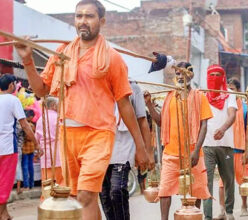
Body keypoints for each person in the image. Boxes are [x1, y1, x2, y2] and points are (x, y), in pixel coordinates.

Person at [14, 1, 150, 219]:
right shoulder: (61, 55)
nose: (83, 21)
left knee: (86, 195)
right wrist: (28, 60)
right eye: (79, 16)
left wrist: (142, 147)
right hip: (67, 134)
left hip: (99, 133)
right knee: (79, 198)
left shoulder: (112, 59)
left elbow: (125, 104)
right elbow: (41, 90)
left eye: (89, 16)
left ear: (101, 21)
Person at [145, 62, 212, 220]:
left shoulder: (199, 96)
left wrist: (196, 152)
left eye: (183, 74)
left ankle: (194, 217)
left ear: (191, 75)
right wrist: (149, 104)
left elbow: (204, 126)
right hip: (171, 153)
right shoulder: (169, 97)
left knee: (197, 190)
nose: (181, 77)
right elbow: (161, 122)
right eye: (178, 74)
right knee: (165, 191)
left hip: (194, 154)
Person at [100, 80, 154, 220]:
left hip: (125, 144)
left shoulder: (133, 87)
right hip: (102, 143)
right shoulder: (98, 84)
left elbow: (142, 121)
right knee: (105, 194)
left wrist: (147, 151)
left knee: (117, 190)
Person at [0, 74, 40, 220]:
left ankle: (4, 213)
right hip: (8, 147)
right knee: (5, 181)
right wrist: (36, 144)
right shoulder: (13, 100)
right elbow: (24, 125)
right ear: (11, 85)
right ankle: (2, 213)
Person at [203, 65, 237, 220]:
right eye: (212, 75)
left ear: (223, 77)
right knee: (207, 182)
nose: (215, 78)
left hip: (226, 144)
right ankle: (208, 216)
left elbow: (232, 115)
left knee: (228, 179)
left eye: (218, 75)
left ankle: (228, 211)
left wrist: (223, 129)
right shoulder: (203, 95)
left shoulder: (229, 94)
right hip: (207, 145)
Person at [216, 78, 248, 218]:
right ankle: (222, 210)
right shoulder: (221, 105)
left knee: (242, 181)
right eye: (228, 90)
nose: (230, 92)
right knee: (223, 182)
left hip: (240, 149)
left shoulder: (246, 107)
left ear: (238, 91)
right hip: (225, 147)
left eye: (232, 90)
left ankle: (244, 206)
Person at [35, 97, 64, 185]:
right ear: (53, 105)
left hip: (45, 154)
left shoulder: (40, 119)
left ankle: (47, 197)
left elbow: (37, 138)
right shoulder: (58, 118)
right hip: (58, 152)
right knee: (61, 181)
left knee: (47, 181)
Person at [21, 109, 36, 190]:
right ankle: (31, 184)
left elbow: (26, 137)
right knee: (31, 166)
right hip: (32, 148)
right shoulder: (33, 126)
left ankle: (26, 185)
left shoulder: (25, 126)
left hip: (24, 149)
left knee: (25, 167)